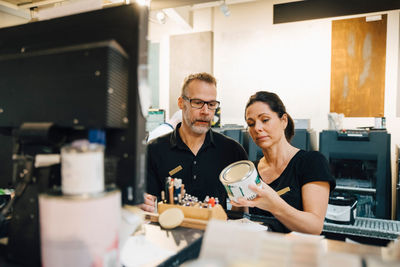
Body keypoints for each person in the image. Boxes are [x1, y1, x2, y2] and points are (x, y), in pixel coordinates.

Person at [141, 73, 248, 212]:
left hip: (215, 232)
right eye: (197, 103)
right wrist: (142, 203)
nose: (206, 111)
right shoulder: (154, 150)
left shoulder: (232, 151)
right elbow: (148, 204)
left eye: (211, 104)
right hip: (170, 231)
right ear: (181, 103)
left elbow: (242, 211)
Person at [232, 91, 335, 234]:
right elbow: (243, 221)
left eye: (265, 120)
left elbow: (314, 227)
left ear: (283, 121)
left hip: (296, 253)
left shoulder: (311, 162)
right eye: (251, 123)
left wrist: (274, 205)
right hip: (258, 251)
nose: (257, 128)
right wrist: (238, 205)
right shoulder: (251, 171)